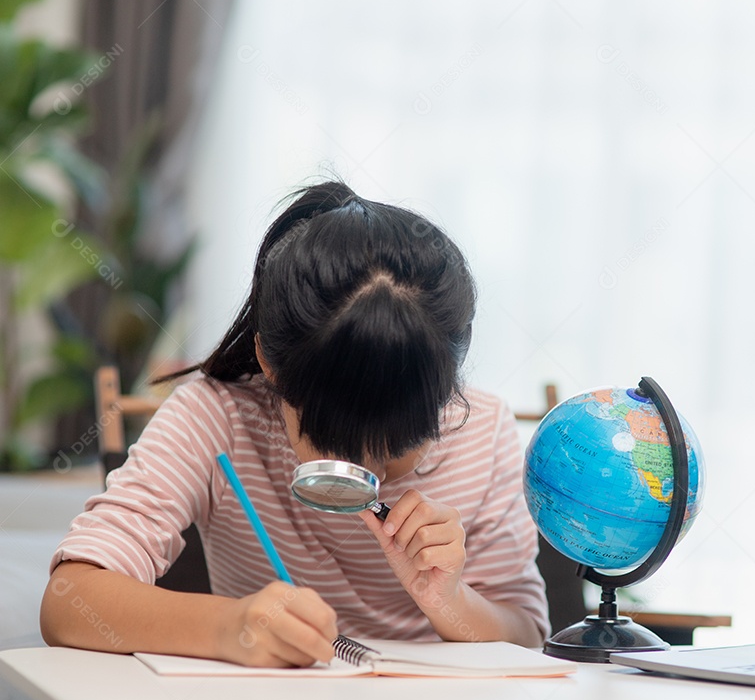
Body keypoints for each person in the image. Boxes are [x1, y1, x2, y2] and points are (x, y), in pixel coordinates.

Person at [40, 182, 548, 667]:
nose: (364, 468)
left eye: (397, 444)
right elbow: (69, 598)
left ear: (445, 392)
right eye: (336, 438)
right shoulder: (218, 417)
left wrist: (448, 598)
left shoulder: (482, 431)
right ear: (268, 361)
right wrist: (228, 625)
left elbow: (528, 634)